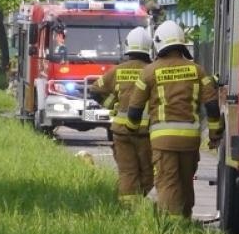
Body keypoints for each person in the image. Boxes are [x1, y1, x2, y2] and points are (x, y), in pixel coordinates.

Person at [127, 21, 222, 219]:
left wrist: (133, 130)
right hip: (190, 140)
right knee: (186, 182)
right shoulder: (197, 70)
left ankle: (172, 229)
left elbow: (134, 110)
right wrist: (214, 135)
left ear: (159, 44)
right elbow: (212, 106)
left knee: (168, 182)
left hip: (162, 141)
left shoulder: (149, 72)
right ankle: (185, 222)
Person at [88, 26, 154, 200]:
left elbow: (94, 90)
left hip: (121, 132)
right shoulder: (153, 70)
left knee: (127, 173)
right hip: (147, 133)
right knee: (148, 174)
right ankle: (139, 203)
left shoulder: (118, 70)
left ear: (128, 47)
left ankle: (127, 211)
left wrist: (113, 105)